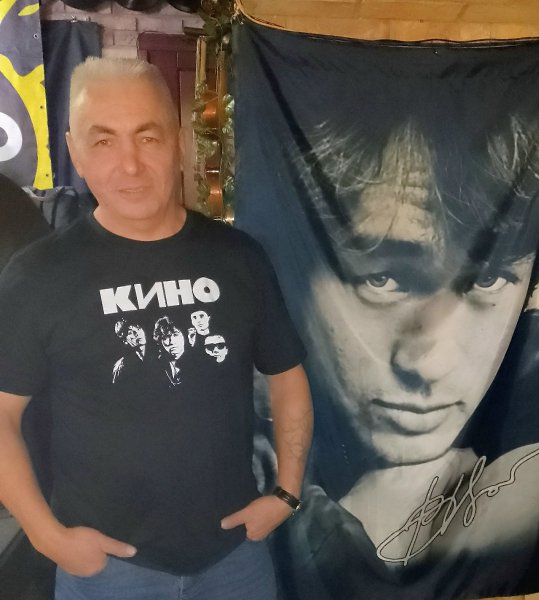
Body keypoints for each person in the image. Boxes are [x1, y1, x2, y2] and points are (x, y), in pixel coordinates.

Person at [0, 57, 312, 600]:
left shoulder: (239, 258)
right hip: (106, 570)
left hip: (234, 559)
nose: (130, 165)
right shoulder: (37, 276)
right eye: (103, 141)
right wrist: (48, 537)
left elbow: (287, 375)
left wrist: (286, 492)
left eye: (148, 137)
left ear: (179, 142)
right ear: (75, 151)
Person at [270, 117, 539, 600]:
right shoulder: (239, 431)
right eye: (382, 279)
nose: (430, 364)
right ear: (296, 269)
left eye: (487, 279)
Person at [153, 316, 186, 386]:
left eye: (175, 335)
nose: (171, 342)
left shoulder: (196, 360)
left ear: (184, 335)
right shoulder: (158, 365)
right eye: (166, 337)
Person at [112, 319, 147, 383]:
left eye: (138, 328)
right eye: (130, 332)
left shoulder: (160, 355)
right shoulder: (122, 367)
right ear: (125, 341)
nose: (137, 333)